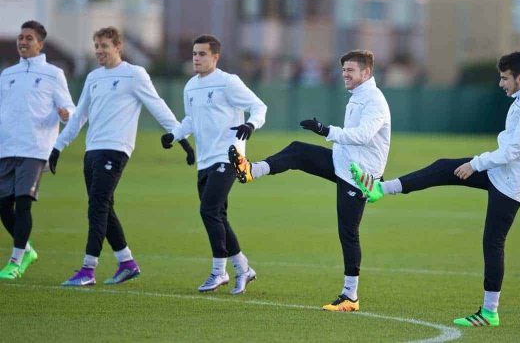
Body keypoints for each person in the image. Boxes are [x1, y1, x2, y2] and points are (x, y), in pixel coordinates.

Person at [351, 51, 520, 326]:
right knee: (444, 167)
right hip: (500, 172)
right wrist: (478, 164)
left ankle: (489, 313)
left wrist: (475, 164)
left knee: (493, 241)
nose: (501, 83)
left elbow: (514, 151)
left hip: (513, 184)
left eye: (505, 78)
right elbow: (509, 150)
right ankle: (380, 189)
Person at [229, 50, 390, 310]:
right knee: (297, 151)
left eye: (350, 70)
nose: (344, 74)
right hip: (345, 163)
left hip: (362, 176)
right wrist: (328, 134)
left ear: (366, 73)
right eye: (343, 70)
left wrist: (326, 130)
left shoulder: (374, 100)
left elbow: (364, 135)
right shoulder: (359, 95)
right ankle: (250, 170)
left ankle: (351, 296)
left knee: (348, 231)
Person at [49, 26, 194, 286]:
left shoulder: (134, 75)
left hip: (116, 150)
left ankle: (88, 269)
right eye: (96, 46)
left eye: (104, 46)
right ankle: (126, 262)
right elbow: (79, 116)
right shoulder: (94, 77)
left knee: (97, 207)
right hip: (92, 151)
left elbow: (158, 106)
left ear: (118, 47)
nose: (99, 51)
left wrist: (181, 139)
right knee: (104, 207)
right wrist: (58, 146)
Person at [161, 35, 267, 295]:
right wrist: (174, 135)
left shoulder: (228, 82)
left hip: (228, 157)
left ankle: (219, 271)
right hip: (205, 160)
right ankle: (243, 269)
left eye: (202, 54)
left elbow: (259, 106)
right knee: (218, 214)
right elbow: (190, 119)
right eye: (195, 54)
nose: (196, 58)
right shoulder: (190, 86)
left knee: (208, 210)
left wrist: (250, 125)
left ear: (215, 57)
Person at [0, 21, 75, 280]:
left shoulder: (53, 74)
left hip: (35, 148)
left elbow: (70, 109)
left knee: (23, 203)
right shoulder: (7, 75)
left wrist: (66, 115)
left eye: (28, 38)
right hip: (7, 148)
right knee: (2, 206)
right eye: (20, 37)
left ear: (40, 44)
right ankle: (28, 250)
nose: (22, 42)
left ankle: (16, 260)